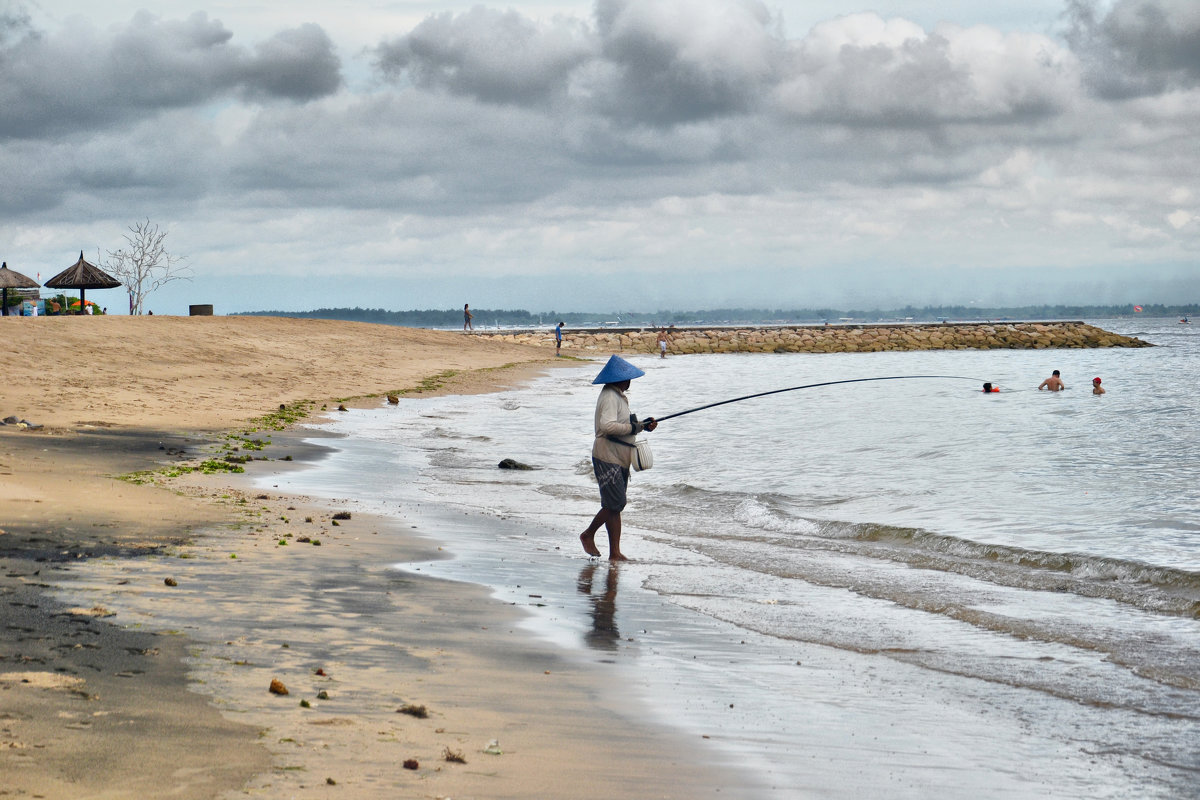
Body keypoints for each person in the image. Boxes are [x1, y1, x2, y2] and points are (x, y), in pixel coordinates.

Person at [580, 355, 657, 561]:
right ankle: (588, 534)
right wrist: (634, 427)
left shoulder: (618, 396)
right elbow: (607, 427)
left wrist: (642, 425)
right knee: (615, 503)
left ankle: (615, 552)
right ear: (619, 379)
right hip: (608, 456)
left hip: (619, 456)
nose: (630, 381)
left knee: (615, 506)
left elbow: (622, 425)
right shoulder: (609, 397)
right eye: (628, 378)